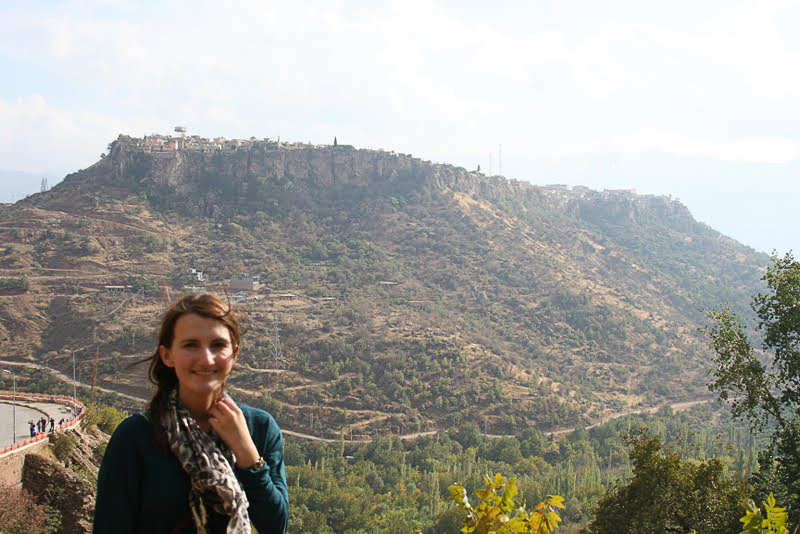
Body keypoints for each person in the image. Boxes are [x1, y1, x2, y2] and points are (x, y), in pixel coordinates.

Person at [94, 294, 288, 533]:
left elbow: (276, 526)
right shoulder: (136, 436)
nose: (206, 360)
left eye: (218, 345)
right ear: (167, 356)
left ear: (234, 353)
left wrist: (247, 453)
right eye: (190, 345)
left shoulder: (260, 427)